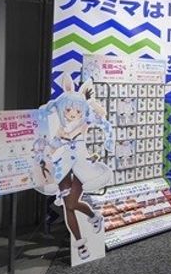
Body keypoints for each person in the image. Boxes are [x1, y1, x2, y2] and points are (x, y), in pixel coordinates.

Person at [32, 74, 114, 261]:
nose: (72, 114)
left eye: (76, 111)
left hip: (81, 166)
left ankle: (92, 218)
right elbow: (52, 144)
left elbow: (102, 115)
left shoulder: (84, 123)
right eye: (68, 109)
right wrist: (45, 156)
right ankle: (82, 240)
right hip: (62, 166)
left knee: (70, 203)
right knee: (69, 207)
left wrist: (90, 101)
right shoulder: (59, 127)